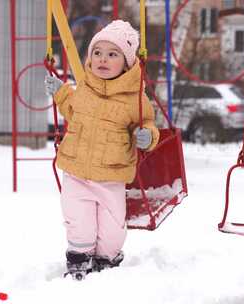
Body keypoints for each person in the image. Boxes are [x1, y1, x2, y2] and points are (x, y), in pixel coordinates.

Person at [44, 20, 159, 280]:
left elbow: (148, 124)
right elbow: (72, 109)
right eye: (97, 52)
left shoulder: (135, 99)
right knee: (78, 221)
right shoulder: (85, 87)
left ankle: (107, 262)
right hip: (76, 170)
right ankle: (78, 260)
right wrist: (61, 93)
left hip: (111, 177)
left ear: (127, 63)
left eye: (112, 54)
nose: (102, 59)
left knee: (112, 231)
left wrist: (146, 136)